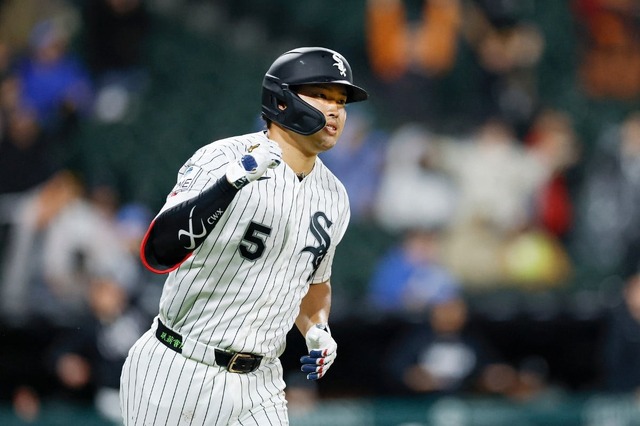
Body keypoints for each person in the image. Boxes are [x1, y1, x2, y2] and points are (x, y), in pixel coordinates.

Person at [119, 46, 368, 425]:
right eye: (321, 95)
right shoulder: (223, 158)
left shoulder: (335, 197)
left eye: (341, 101)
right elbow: (159, 251)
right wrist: (229, 183)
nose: (335, 110)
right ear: (281, 100)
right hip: (180, 368)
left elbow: (314, 282)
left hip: (261, 382)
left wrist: (317, 327)